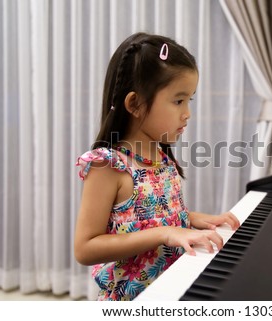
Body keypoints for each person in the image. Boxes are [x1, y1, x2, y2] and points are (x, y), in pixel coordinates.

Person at [74, 32, 240, 301]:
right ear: (135, 104)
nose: (187, 113)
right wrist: (165, 233)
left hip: (173, 288)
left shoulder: (159, 156)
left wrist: (195, 219)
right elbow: (85, 248)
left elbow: (154, 215)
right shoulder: (109, 165)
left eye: (190, 100)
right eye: (178, 101)